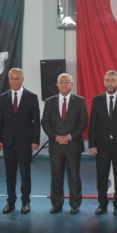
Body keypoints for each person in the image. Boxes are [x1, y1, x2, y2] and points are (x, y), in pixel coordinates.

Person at [88, 70, 117, 217]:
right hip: (101, 146)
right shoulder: (97, 100)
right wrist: (92, 144)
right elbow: (92, 124)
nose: (110, 83)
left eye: (112, 80)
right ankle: (102, 204)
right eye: (107, 80)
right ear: (104, 82)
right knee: (101, 176)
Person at [41, 73, 88, 214]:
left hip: (73, 146)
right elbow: (45, 122)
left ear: (71, 85)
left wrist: (70, 136)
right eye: (61, 81)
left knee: (74, 176)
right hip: (56, 145)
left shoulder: (80, 101)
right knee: (56, 176)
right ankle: (56, 204)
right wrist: (55, 137)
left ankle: (75, 204)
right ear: (57, 84)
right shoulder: (50, 101)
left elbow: (83, 122)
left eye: (66, 82)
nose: (63, 84)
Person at [0, 68, 40, 214]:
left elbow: (36, 121)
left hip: (25, 142)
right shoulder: (3, 97)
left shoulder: (31, 97)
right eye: (12, 78)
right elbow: (0, 120)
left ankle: (25, 202)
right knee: (10, 174)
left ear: (22, 79)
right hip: (8, 142)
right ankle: (11, 202)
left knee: (25, 174)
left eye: (17, 78)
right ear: (9, 80)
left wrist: (35, 140)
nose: (14, 81)